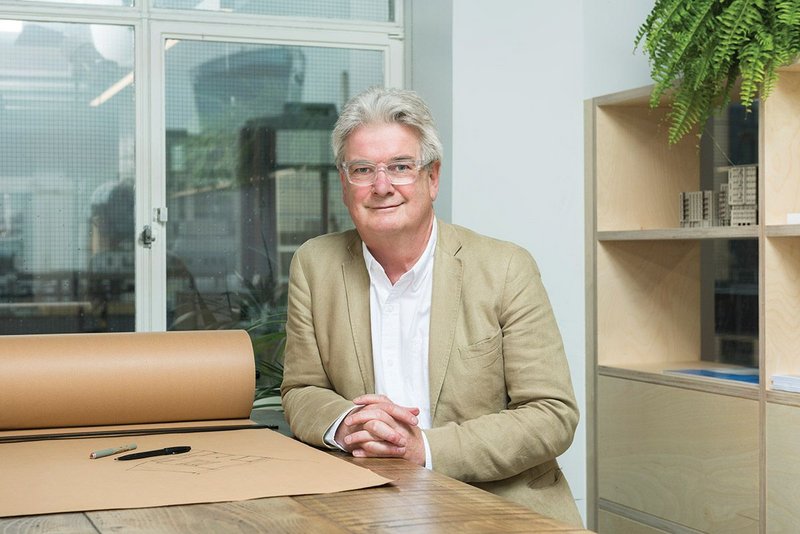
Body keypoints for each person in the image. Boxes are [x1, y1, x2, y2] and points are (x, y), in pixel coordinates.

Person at [280, 86, 582, 527]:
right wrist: (347, 423)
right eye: (363, 170)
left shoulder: (505, 268)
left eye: (400, 167)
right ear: (345, 184)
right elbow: (301, 390)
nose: (382, 187)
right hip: (363, 504)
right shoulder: (315, 264)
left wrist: (423, 448)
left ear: (432, 177)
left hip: (495, 507)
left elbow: (551, 414)